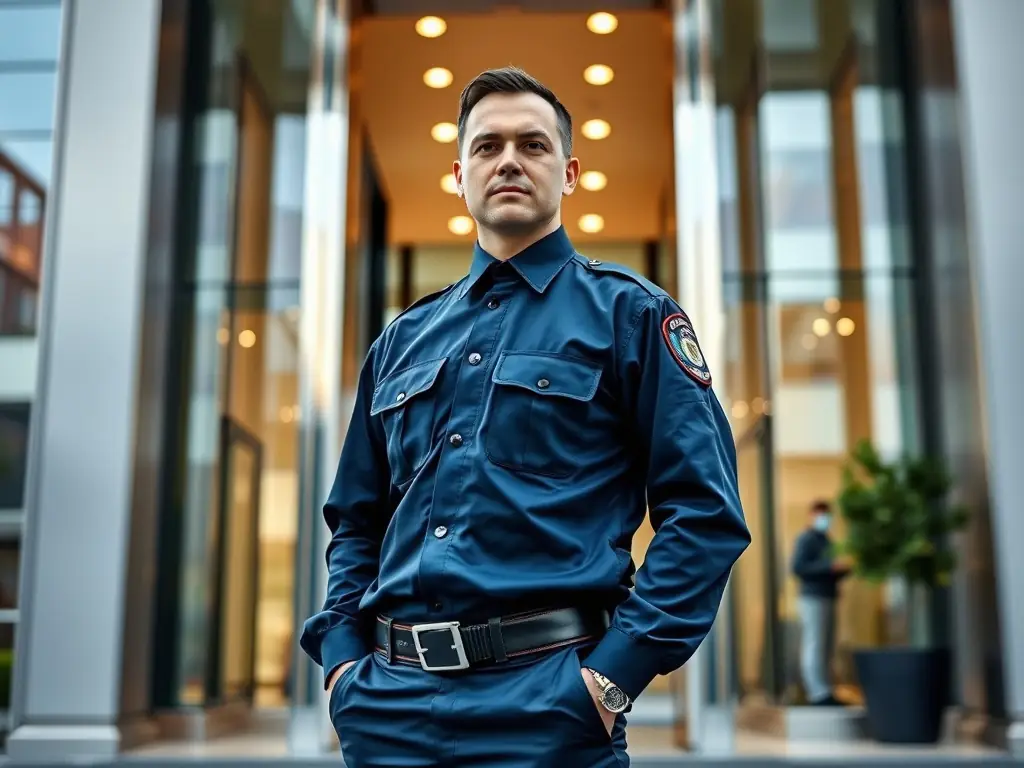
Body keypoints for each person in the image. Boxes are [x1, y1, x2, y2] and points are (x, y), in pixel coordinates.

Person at [299, 66, 751, 767]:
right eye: (487, 147)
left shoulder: (631, 314)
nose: (508, 159)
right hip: (386, 707)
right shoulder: (401, 339)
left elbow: (705, 514)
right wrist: (341, 668)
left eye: (532, 145)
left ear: (568, 173)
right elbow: (356, 520)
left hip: (550, 710)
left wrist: (610, 681)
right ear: (458, 174)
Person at [791, 499, 851, 706]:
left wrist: (841, 570)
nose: (824, 520)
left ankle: (826, 690)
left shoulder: (826, 540)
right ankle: (816, 692)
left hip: (828, 597)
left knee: (826, 646)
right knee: (814, 644)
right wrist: (828, 567)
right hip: (812, 598)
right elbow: (798, 568)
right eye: (820, 515)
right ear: (811, 515)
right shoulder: (806, 539)